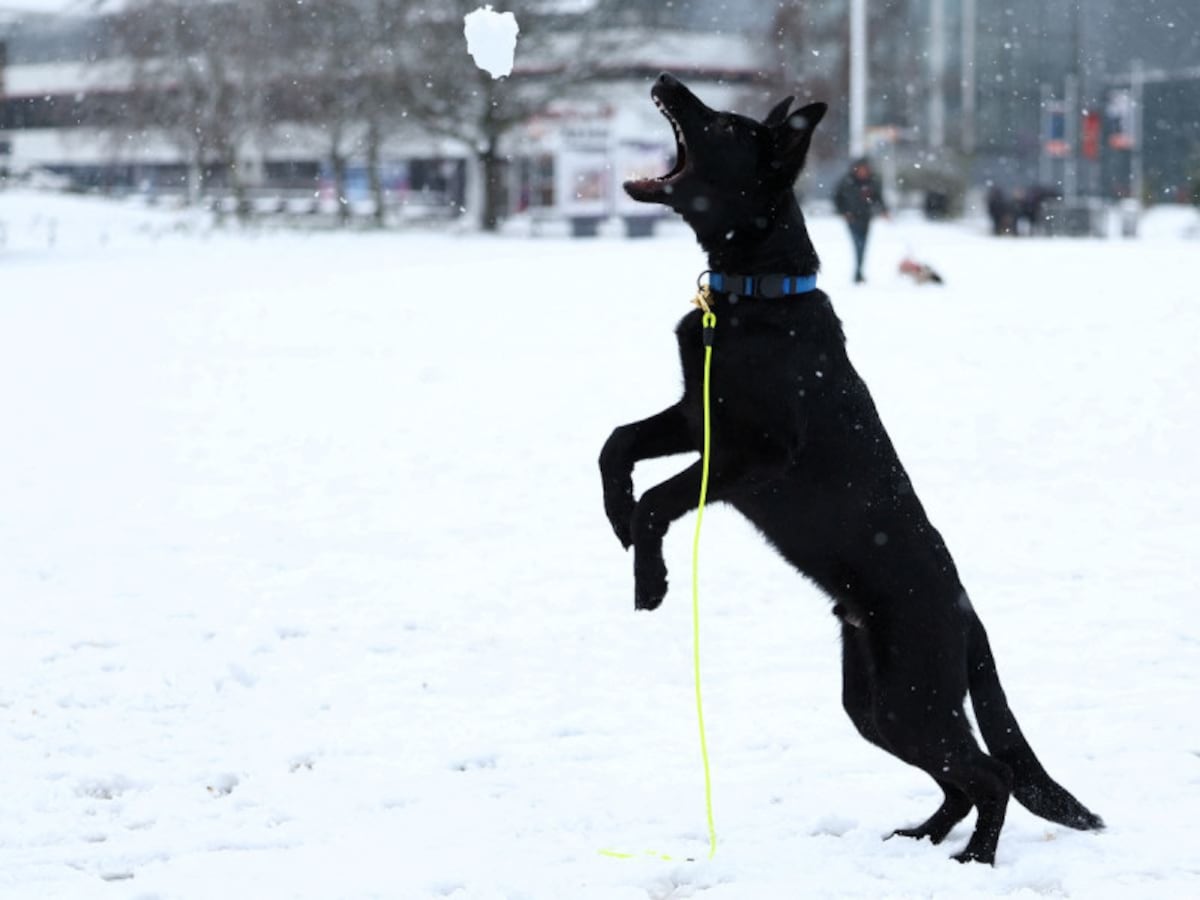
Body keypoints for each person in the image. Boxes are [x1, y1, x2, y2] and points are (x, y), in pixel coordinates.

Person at [833, 157, 888, 283]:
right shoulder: (847, 182)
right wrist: (844, 212)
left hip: (866, 218)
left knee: (863, 246)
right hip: (852, 219)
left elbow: (878, 199)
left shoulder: (872, 182)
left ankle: (859, 271)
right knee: (858, 245)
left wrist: (884, 210)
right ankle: (858, 273)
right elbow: (837, 198)